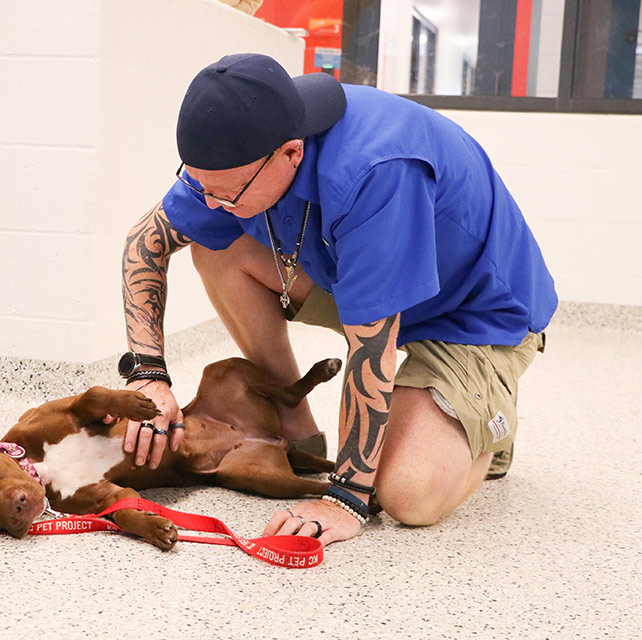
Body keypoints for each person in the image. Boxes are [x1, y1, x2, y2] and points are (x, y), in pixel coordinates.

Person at [117, 53, 557, 546]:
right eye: (201, 186)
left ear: (290, 154)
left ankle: (490, 427)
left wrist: (345, 496)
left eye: (227, 193)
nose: (213, 202)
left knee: (408, 496)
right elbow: (145, 242)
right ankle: (292, 418)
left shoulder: (377, 169)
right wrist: (149, 378)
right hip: (363, 277)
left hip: (475, 317)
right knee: (213, 245)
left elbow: (372, 350)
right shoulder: (246, 144)